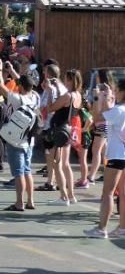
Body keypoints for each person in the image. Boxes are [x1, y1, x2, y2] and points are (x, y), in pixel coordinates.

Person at [84, 78, 125, 239]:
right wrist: (108, 96)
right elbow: (110, 111)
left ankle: (102, 228)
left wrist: (97, 98)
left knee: (108, 192)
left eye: (116, 90)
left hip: (116, 156)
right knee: (122, 194)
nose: (115, 92)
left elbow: (96, 117)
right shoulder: (119, 110)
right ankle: (122, 228)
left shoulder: (119, 110)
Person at [0, 68, 39, 212]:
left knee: (18, 172)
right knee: (27, 170)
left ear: (20, 86)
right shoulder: (35, 97)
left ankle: (19, 203)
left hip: (16, 139)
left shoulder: (17, 98)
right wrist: (14, 72)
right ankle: (30, 200)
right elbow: (24, 82)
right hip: (29, 140)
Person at [46, 69, 83, 206]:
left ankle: (63, 197)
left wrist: (50, 91)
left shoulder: (68, 96)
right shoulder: (77, 95)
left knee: (57, 164)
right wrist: (57, 86)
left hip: (60, 130)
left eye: (66, 79)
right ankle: (71, 196)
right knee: (66, 164)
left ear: (70, 80)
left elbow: (51, 108)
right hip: (68, 130)